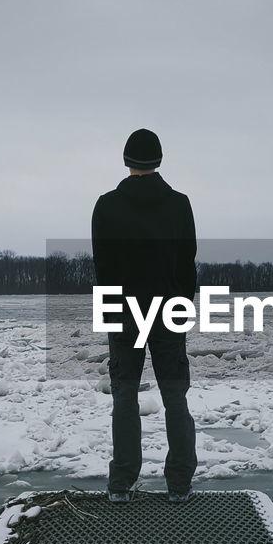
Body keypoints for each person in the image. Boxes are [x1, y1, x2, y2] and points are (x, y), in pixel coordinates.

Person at [91, 128, 197, 504]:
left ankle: (121, 484)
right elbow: (187, 264)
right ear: (158, 160)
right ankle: (180, 485)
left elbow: (102, 267)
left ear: (126, 161)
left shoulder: (106, 205)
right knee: (175, 396)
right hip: (169, 309)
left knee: (124, 396)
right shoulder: (180, 204)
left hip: (123, 313)